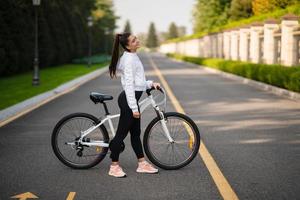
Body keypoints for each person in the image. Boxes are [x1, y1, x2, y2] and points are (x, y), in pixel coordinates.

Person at [108, 32, 161, 178]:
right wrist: (133, 107)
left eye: (136, 38)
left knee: (136, 133)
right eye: (133, 40)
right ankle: (114, 166)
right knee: (121, 134)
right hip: (128, 101)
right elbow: (130, 86)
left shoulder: (132, 56)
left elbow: (138, 81)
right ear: (127, 45)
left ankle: (142, 164)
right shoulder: (130, 60)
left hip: (130, 100)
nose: (137, 41)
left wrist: (150, 83)